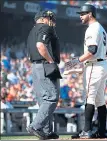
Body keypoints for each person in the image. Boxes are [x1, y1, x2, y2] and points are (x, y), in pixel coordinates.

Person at [65, 4, 107, 139]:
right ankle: (102, 131)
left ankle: (86, 130)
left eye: (83, 13)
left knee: (89, 98)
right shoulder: (102, 29)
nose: (80, 16)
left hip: (94, 66)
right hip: (103, 65)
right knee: (100, 100)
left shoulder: (92, 29)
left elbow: (92, 50)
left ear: (90, 14)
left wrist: (77, 60)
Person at [26, 10, 62, 140]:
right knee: (51, 97)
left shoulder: (32, 31)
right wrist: (51, 61)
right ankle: (35, 126)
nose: (51, 20)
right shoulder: (45, 27)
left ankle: (46, 131)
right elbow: (40, 45)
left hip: (36, 67)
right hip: (45, 65)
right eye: (49, 17)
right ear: (42, 18)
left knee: (43, 100)